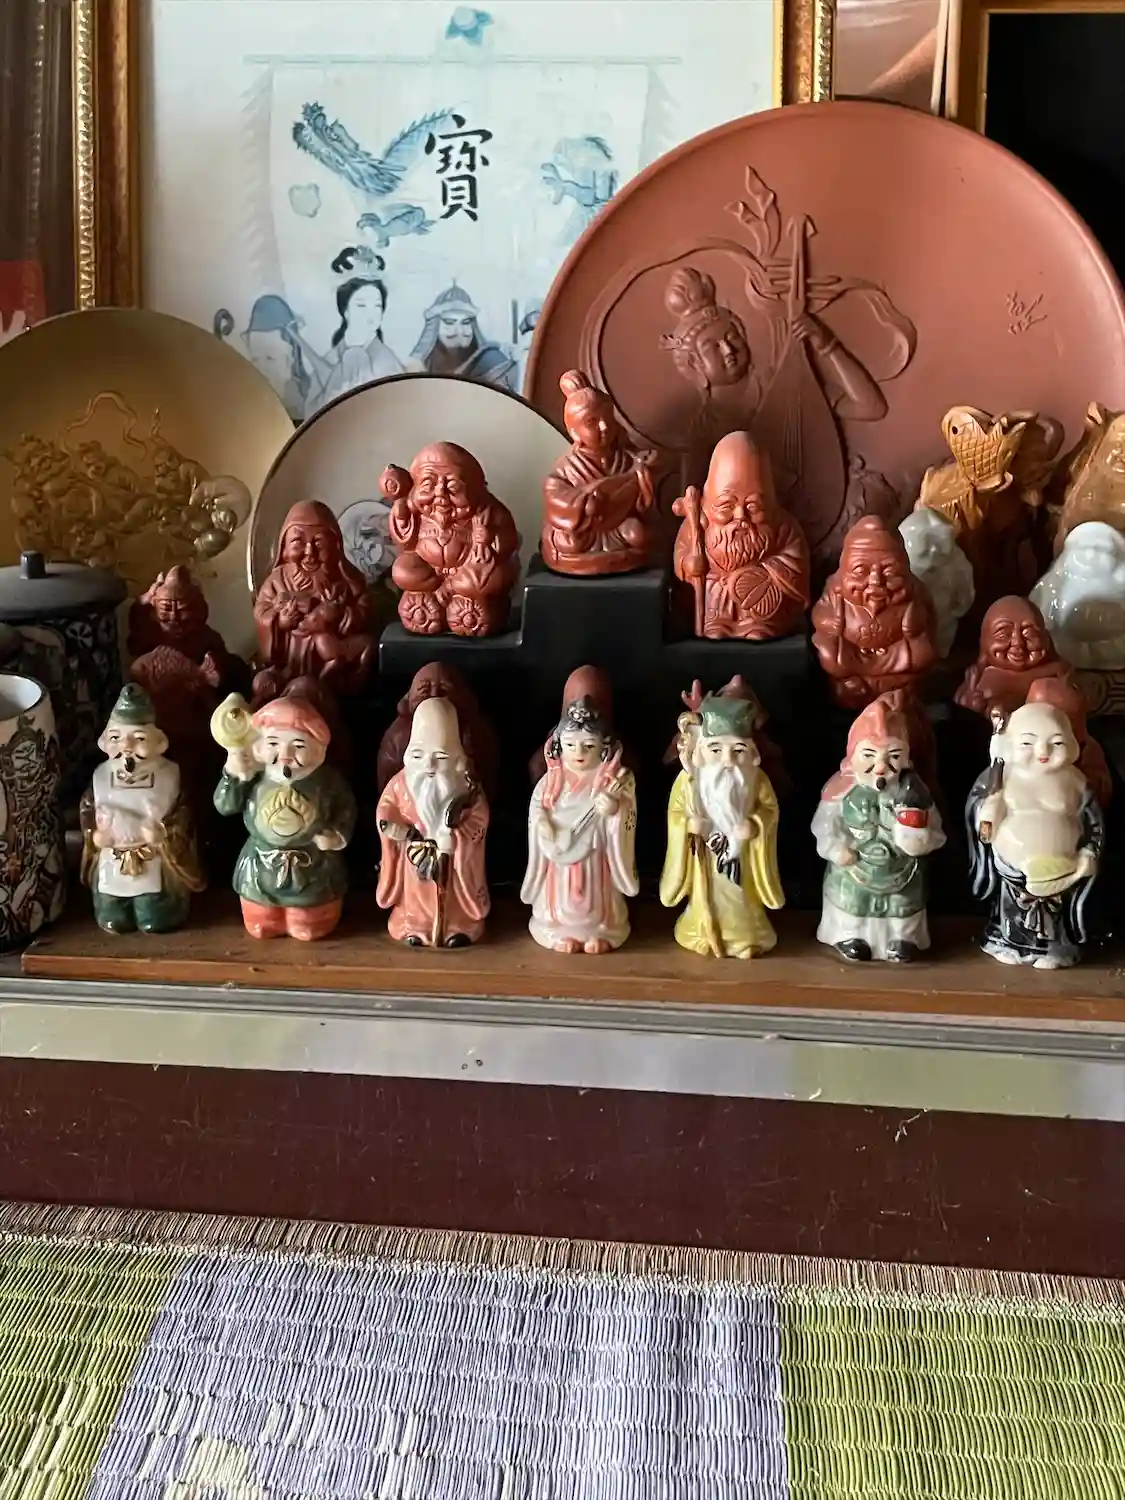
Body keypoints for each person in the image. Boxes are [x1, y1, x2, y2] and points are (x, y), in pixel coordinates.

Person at [967, 700, 1103, 969]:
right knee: (1012, 911)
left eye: (1056, 742)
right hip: (1012, 868)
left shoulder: (1075, 781)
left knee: (1055, 914)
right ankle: (1011, 944)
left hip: (1063, 869)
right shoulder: (1000, 777)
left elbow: (1094, 823)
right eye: (1028, 743)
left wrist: (1090, 851)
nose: (1043, 752)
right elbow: (979, 814)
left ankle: (1055, 949)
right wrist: (986, 813)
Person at [812, 692, 945, 963]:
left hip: (902, 869)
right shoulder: (840, 790)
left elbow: (936, 828)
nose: (881, 766)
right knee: (853, 902)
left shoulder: (914, 792)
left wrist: (921, 839)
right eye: (869, 755)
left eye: (893, 756)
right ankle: (850, 935)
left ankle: (903, 939)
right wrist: (835, 848)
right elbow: (824, 825)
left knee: (902, 906)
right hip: (855, 868)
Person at [214, 695, 356, 941]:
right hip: (259, 865)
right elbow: (225, 806)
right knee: (261, 919)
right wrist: (232, 777)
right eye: (274, 743)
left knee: (310, 922)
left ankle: (308, 918)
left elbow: (346, 809)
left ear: (317, 747)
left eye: (298, 745)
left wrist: (337, 835)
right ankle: (265, 916)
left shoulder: (327, 781)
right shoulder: (254, 775)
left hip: (314, 866)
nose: (285, 754)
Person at [660, 693, 784, 960]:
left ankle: (746, 938)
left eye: (738, 750)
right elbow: (675, 813)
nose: (728, 760)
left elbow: (770, 811)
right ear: (701, 751)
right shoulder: (689, 781)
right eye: (716, 750)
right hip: (703, 856)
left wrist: (755, 825)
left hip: (745, 857)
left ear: (752, 753)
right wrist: (688, 825)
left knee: (741, 897)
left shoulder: (757, 780)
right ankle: (700, 933)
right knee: (705, 898)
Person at [81, 685, 204, 934]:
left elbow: (184, 815)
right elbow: (87, 811)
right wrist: (93, 835)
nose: (126, 746)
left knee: (156, 915)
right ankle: (113, 909)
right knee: (113, 916)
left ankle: (157, 910)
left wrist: (166, 834)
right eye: (116, 738)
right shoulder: (101, 776)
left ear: (158, 742)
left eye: (138, 739)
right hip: (112, 858)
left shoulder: (169, 775)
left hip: (155, 857)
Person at [522, 694, 638, 954]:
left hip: (596, 856)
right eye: (570, 745)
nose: (579, 753)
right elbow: (537, 808)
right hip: (557, 858)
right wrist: (543, 825)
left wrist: (613, 810)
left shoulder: (610, 781)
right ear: (559, 747)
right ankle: (558, 931)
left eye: (588, 745)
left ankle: (601, 932)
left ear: (603, 748)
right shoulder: (551, 781)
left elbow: (625, 813)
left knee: (598, 898)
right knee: (558, 898)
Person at [672, 430, 810, 639]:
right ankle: (716, 625)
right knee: (714, 625)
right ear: (709, 502)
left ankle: (758, 625)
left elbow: (796, 563)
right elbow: (682, 553)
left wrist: (763, 574)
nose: (740, 516)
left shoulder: (783, 525)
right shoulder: (697, 523)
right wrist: (688, 564)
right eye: (727, 505)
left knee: (760, 628)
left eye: (753, 506)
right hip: (714, 602)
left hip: (761, 604)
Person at [376, 696, 491, 947]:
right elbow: (386, 809)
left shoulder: (467, 785)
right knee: (415, 897)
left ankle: (458, 927)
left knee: (454, 896)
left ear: (456, 756)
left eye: (440, 757)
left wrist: (457, 837)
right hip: (414, 857)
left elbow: (479, 817)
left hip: (454, 861)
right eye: (419, 755)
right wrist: (394, 828)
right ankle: (414, 925)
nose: (429, 765)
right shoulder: (401, 783)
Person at [252, 500, 376, 698]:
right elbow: (261, 612)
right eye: (298, 543)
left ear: (334, 546)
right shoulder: (277, 581)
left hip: (334, 672)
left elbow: (365, 608)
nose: (310, 553)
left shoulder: (347, 579)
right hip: (289, 666)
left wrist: (341, 616)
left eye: (319, 543)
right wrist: (279, 621)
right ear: (284, 549)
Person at [812, 516, 938, 707]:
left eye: (888, 571)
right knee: (829, 653)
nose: (875, 581)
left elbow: (929, 619)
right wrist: (831, 622)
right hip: (853, 653)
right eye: (860, 571)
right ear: (844, 571)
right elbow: (819, 614)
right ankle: (853, 686)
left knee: (922, 652)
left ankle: (894, 688)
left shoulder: (914, 590)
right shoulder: (835, 589)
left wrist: (915, 624)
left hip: (895, 654)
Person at [541, 369, 655, 575]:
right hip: (584, 531)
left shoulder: (625, 457)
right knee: (569, 542)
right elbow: (553, 492)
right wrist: (582, 502)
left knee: (639, 535)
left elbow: (639, 486)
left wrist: (644, 472)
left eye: (607, 418)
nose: (604, 426)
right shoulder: (568, 465)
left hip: (618, 524)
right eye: (591, 422)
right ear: (574, 431)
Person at [303, 277, 405, 416]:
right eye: (361, 305)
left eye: (377, 305)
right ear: (345, 311)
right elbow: (311, 413)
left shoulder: (388, 362)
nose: (371, 313)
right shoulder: (331, 358)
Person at [1030, 520, 1125, 670]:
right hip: (1064, 646)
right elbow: (1039, 606)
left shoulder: (1120, 580)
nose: (1090, 556)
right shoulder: (1055, 580)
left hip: (1115, 647)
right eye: (1083, 551)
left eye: (1101, 552)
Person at [410, 283, 516, 389]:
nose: (459, 331)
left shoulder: (490, 359)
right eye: (450, 322)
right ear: (434, 327)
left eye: (466, 322)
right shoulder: (427, 363)